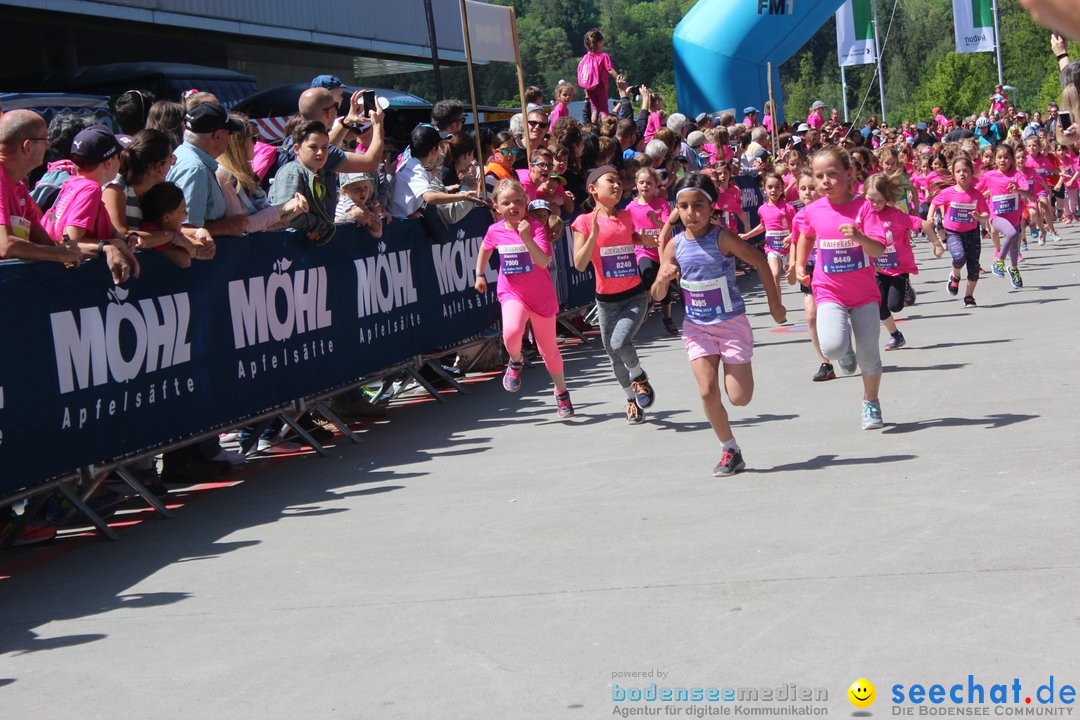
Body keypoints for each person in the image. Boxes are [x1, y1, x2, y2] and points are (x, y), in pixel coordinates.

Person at [652, 172, 785, 475]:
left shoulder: (722, 238)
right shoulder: (674, 246)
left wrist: (774, 304)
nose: (691, 214)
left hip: (730, 324)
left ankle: (736, 378)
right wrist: (661, 278)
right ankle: (730, 449)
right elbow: (657, 295)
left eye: (698, 206)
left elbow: (761, 261)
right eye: (683, 206)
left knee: (739, 398)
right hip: (697, 327)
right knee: (706, 390)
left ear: (712, 208)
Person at [794, 147, 887, 430]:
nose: (824, 182)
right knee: (832, 347)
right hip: (828, 290)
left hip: (863, 294)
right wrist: (799, 265)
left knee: (869, 356)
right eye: (820, 176)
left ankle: (870, 402)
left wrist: (859, 236)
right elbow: (805, 236)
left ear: (849, 174)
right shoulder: (813, 210)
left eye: (832, 175)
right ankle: (845, 348)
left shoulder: (864, 207)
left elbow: (879, 249)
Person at [473, 178, 572, 418]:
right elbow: (485, 248)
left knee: (548, 350)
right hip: (512, 293)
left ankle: (561, 393)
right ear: (496, 207)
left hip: (541, 297)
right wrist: (479, 274)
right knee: (511, 332)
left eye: (518, 201)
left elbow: (543, 261)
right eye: (506, 203)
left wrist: (526, 237)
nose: (513, 206)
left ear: (526, 202)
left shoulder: (536, 227)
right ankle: (515, 361)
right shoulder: (495, 230)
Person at [571, 164, 657, 424]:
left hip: (634, 296)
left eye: (620, 181)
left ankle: (640, 376)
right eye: (611, 181)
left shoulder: (627, 215)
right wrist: (594, 233)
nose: (618, 185)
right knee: (613, 355)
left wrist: (651, 239)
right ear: (593, 189)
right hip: (606, 302)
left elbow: (637, 238)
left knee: (620, 344)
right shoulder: (583, 222)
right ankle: (631, 400)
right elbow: (579, 263)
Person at [42, 125, 143, 282]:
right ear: (108, 163)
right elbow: (71, 241)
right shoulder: (91, 189)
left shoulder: (72, 182)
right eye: (118, 157)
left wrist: (124, 239)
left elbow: (112, 233)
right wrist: (107, 246)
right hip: (72, 280)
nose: (120, 162)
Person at [0, 110, 85, 266]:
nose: (48, 145)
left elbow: (46, 244)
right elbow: (5, 246)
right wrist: (59, 254)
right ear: (27, 146)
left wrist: (104, 247)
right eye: (45, 139)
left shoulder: (18, 187)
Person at [862, 174, 929, 351]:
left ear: (887, 198)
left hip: (899, 268)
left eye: (880, 200)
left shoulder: (896, 215)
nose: (875, 205)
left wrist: (937, 244)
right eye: (871, 200)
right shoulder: (863, 215)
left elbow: (924, 224)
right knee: (879, 305)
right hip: (877, 269)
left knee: (895, 306)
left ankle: (907, 289)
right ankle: (896, 336)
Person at [166, 102, 248, 238]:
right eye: (229, 133)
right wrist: (227, 227)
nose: (229, 139)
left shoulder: (185, 157)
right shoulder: (195, 169)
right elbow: (185, 230)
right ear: (217, 136)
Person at [217, 116, 308, 233]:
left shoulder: (245, 173)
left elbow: (262, 225)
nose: (256, 144)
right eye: (253, 139)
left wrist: (292, 213)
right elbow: (244, 226)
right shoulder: (224, 175)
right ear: (239, 143)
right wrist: (283, 208)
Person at [785, 167, 834, 381]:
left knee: (834, 313)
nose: (807, 193)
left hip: (831, 268)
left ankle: (843, 346)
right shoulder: (798, 217)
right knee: (811, 315)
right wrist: (794, 264)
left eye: (812, 188)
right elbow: (796, 242)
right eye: (803, 189)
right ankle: (825, 362)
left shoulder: (830, 211)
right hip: (810, 269)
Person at [927, 155, 989, 306]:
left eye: (966, 171)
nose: (962, 174)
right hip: (953, 233)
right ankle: (955, 276)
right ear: (953, 174)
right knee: (959, 257)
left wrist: (979, 216)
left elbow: (986, 215)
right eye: (958, 171)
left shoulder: (976, 194)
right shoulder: (948, 192)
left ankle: (969, 296)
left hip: (972, 233)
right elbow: (934, 203)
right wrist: (930, 218)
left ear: (971, 172)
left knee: (974, 267)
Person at [390, 124, 483, 220]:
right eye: (439, 146)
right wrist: (463, 196)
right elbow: (429, 197)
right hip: (399, 224)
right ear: (434, 150)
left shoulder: (409, 161)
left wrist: (446, 189)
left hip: (402, 220)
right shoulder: (415, 168)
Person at [268, 120, 337, 245]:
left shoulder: (319, 173)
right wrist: (319, 226)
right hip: (286, 247)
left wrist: (319, 229)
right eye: (313, 147)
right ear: (296, 149)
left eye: (325, 147)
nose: (320, 152)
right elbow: (284, 214)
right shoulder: (292, 171)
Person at [627, 167, 676, 334]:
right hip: (643, 250)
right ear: (636, 185)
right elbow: (627, 229)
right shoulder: (631, 207)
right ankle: (648, 303)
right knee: (647, 274)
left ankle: (667, 318)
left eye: (649, 183)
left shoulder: (661, 204)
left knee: (664, 286)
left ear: (656, 186)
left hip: (662, 251)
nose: (645, 186)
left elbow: (667, 226)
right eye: (641, 183)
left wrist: (655, 220)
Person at [977, 144, 1031, 290]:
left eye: (1007, 157)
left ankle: (1013, 269)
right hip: (996, 216)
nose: (1003, 160)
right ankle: (999, 260)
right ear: (994, 159)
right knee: (1012, 233)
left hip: (1014, 216)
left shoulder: (1017, 175)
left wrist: (1018, 189)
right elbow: (976, 191)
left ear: (1012, 159)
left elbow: (1028, 193)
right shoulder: (989, 176)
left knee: (1014, 248)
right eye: (999, 157)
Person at [741, 171, 795, 299]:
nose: (774, 190)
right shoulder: (762, 209)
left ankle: (792, 273)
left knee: (792, 280)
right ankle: (778, 306)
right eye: (770, 187)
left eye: (777, 187)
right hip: (772, 248)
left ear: (782, 189)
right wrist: (747, 235)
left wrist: (791, 236)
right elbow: (763, 226)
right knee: (775, 275)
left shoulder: (788, 208)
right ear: (764, 190)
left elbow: (798, 227)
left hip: (788, 249)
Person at [138, 181, 215, 268]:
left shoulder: (170, 228)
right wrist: (193, 251)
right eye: (183, 209)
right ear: (167, 217)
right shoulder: (151, 231)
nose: (186, 214)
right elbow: (185, 262)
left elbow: (196, 233)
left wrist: (203, 235)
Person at [578, 29, 620, 123]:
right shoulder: (603, 56)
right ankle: (606, 130)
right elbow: (609, 69)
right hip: (600, 86)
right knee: (604, 109)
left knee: (595, 109)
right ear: (599, 42)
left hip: (590, 87)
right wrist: (618, 77)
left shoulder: (585, 57)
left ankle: (594, 128)